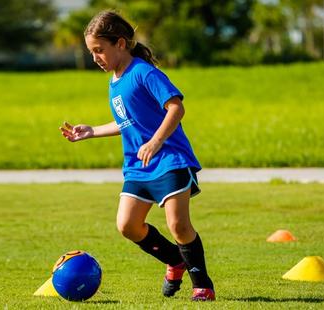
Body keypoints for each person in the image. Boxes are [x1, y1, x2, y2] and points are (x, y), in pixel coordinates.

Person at [58, 10, 215, 301]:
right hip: (138, 166)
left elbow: (176, 108)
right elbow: (127, 122)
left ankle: (202, 285)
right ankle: (175, 260)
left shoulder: (144, 72)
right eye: (91, 52)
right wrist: (92, 130)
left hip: (169, 158)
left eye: (99, 50)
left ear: (120, 43)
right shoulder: (114, 82)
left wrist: (156, 141)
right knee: (127, 225)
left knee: (178, 225)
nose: (95, 58)